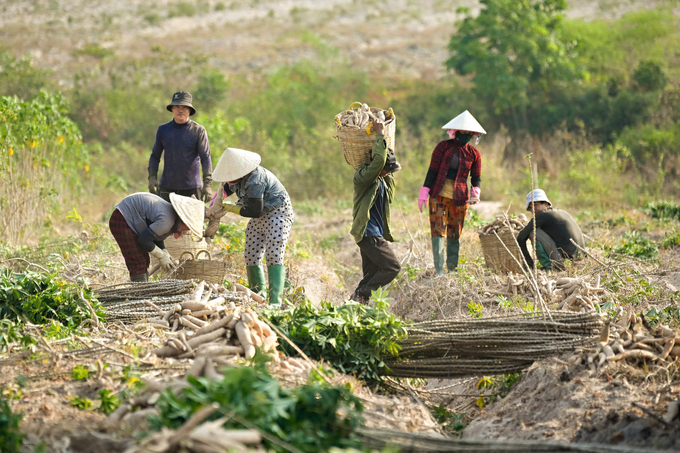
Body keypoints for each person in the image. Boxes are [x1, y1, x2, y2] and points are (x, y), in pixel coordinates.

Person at [208, 148, 294, 305]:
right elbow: (225, 190)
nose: (229, 180)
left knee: (274, 254)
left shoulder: (255, 180)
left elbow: (255, 211)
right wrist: (213, 204)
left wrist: (229, 208)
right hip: (258, 213)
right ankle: (258, 297)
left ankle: (275, 302)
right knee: (251, 254)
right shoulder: (232, 177)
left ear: (241, 172)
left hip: (277, 213)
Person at [417, 110, 486, 275]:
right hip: (438, 195)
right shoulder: (443, 147)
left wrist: (475, 193)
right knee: (438, 230)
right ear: (456, 131)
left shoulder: (474, 154)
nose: (466, 135)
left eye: (470, 133)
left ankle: (452, 270)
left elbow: (476, 178)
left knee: (454, 233)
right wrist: (424, 192)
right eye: (464, 132)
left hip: (460, 199)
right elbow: (432, 171)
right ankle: (440, 271)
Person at [349, 121, 402, 303]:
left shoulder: (383, 181)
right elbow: (379, 161)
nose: (388, 173)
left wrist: (386, 142)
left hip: (375, 233)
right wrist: (379, 135)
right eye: (386, 170)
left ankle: (357, 302)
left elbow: (386, 167)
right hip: (368, 232)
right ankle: (362, 295)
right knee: (392, 267)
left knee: (370, 274)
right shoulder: (363, 178)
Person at [109, 192, 205, 282]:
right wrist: (161, 255)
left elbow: (155, 235)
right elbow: (144, 239)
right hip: (122, 219)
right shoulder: (167, 221)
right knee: (138, 260)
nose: (188, 230)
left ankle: (142, 288)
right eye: (189, 226)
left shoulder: (170, 218)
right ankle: (139, 293)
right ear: (183, 220)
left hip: (131, 218)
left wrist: (164, 250)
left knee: (144, 259)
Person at [148, 91, 213, 203]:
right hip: (167, 187)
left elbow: (206, 158)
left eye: (184, 107)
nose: (181, 110)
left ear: (190, 110)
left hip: (192, 188)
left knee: (190, 221)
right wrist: (152, 178)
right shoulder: (163, 130)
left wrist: (207, 184)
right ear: (172, 109)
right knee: (165, 219)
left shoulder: (198, 131)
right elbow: (155, 156)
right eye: (177, 106)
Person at [517, 189, 585, 272]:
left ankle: (548, 267)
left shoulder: (542, 215)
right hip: (581, 263)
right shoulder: (562, 212)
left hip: (565, 263)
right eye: (530, 208)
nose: (533, 209)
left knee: (533, 231)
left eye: (536, 205)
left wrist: (529, 263)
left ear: (546, 203)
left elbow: (520, 238)